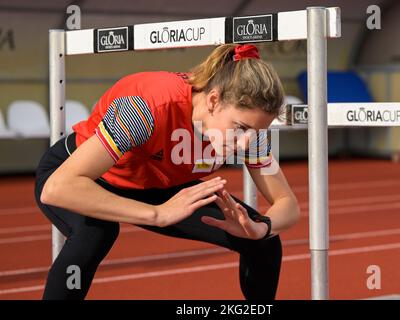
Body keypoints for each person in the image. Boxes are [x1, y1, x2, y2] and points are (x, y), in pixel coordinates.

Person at [35, 44, 300, 300]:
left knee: (263, 242)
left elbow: (287, 204)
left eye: (257, 132)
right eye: (240, 128)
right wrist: (158, 214)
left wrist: (261, 228)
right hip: (85, 176)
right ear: (213, 100)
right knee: (95, 234)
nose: (245, 143)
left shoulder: (249, 134)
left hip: (156, 185)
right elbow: (58, 188)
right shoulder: (147, 108)